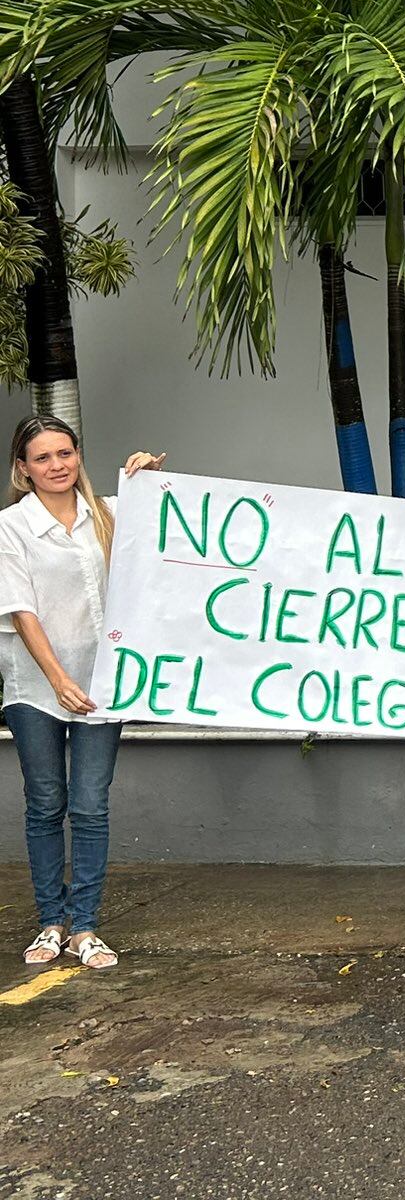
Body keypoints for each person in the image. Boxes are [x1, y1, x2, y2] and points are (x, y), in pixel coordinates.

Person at [0, 415, 165, 970]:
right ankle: (51, 921)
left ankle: (86, 927)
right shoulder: (12, 527)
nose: (57, 466)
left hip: (103, 683)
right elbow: (21, 610)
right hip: (37, 686)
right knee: (46, 803)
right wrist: (58, 680)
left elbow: (169, 536)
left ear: (78, 455)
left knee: (91, 805)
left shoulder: (110, 513)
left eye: (65, 453)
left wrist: (146, 478)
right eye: (42, 458)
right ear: (23, 469)